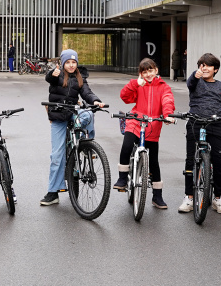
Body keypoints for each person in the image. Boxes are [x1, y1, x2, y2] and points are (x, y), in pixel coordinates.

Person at [42, 49, 106, 206]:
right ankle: (53, 192)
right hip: (58, 115)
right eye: (68, 62)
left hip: (71, 112)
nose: (71, 65)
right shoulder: (57, 76)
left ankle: (86, 143)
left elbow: (87, 92)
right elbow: (48, 78)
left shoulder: (80, 77)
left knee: (88, 113)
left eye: (73, 62)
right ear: (63, 63)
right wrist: (53, 73)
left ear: (77, 63)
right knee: (57, 156)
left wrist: (96, 101)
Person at [177, 53, 221, 215]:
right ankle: (189, 197)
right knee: (190, 161)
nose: (204, 67)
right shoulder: (195, 83)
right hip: (195, 123)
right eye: (202, 65)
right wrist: (194, 77)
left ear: (215, 69)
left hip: (217, 126)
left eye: (208, 65)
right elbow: (190, 83)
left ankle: (219, 198)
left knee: (220, 163)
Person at [115, 58, 176, 209]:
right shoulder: (138, 85)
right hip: (135, 122)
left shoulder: (163, 87)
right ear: (140, 74)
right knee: (127, 146)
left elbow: (167, 101)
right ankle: (122, 178)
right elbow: (125, 97)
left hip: (153, 126)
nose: (148, 74)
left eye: (150, 70)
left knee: (154, 162)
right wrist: (135, 84)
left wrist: (168, 114)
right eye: (144, 72)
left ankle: (157, 196)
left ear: (156, 71)